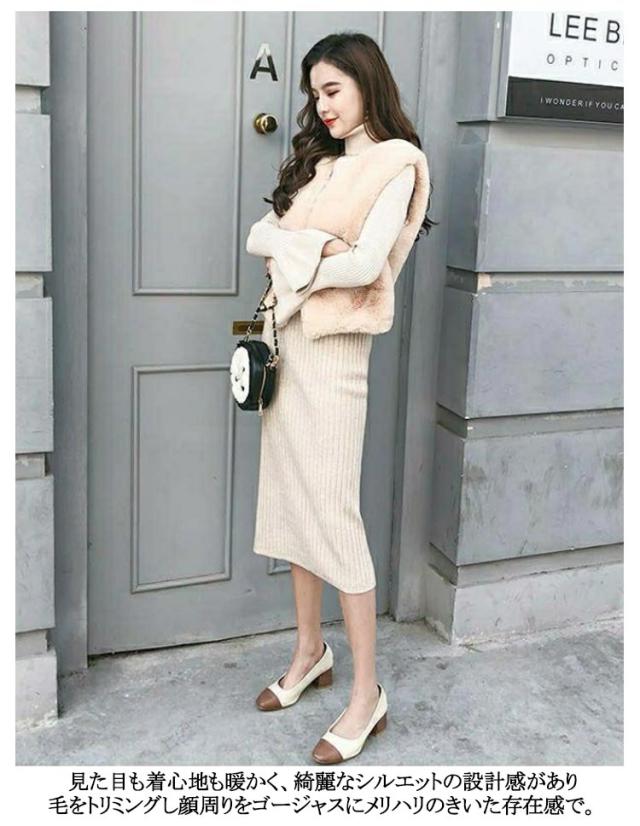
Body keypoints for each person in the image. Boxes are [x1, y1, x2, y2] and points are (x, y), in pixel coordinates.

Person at [244, 32, 435, 764]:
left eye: (333, 90)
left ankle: (366, 693)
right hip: (286, 347)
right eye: (314, 93)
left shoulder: (397, 163)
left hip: (334, 356)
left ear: (365, 83)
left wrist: (294, 253)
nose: (321, 106)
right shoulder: (322, 166)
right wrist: (310, 249)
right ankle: (309, 651)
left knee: (333, 515)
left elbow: (363, 266)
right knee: (292, 502)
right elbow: (258, 234)